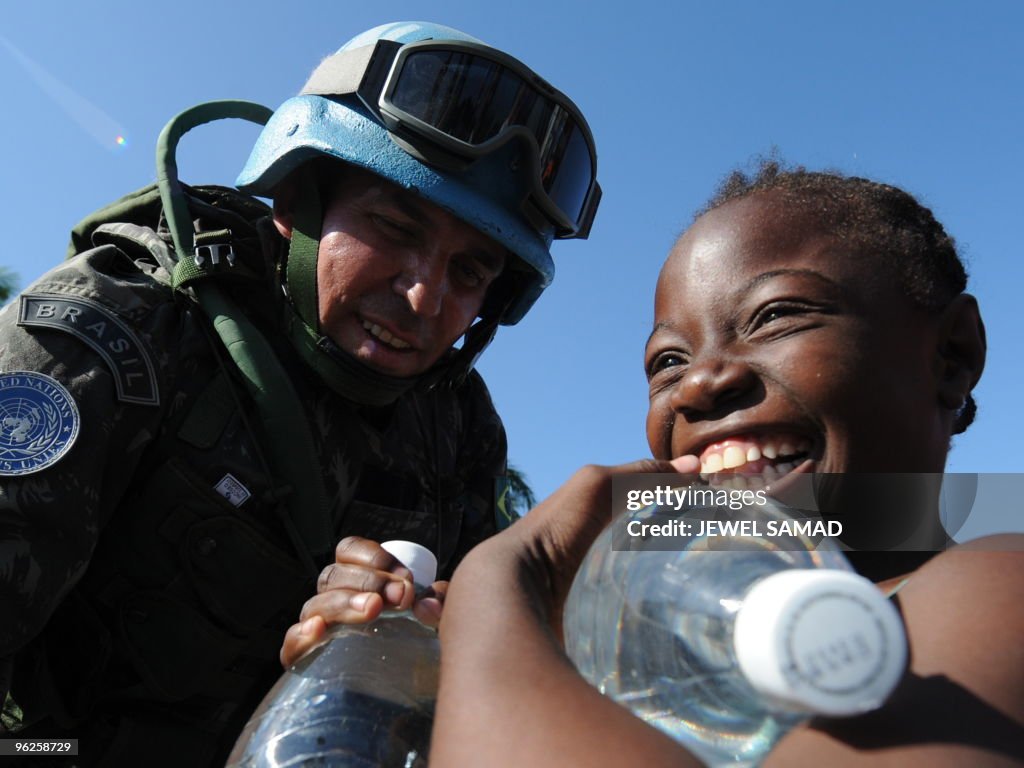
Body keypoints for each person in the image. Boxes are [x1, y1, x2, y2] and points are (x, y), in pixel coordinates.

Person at [0, 21, 600, 766]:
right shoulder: (116, 330)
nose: (423, 296)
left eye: (470, 273)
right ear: (295, 202)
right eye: (392, 225)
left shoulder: (458, 427)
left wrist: (447, 637)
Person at [429, 163, 1024, 767]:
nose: (698, 385)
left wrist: (501, 582)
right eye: (667, 362)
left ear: (953, 355)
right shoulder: (646, 661)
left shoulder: (1002, 588)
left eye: (775, 315)